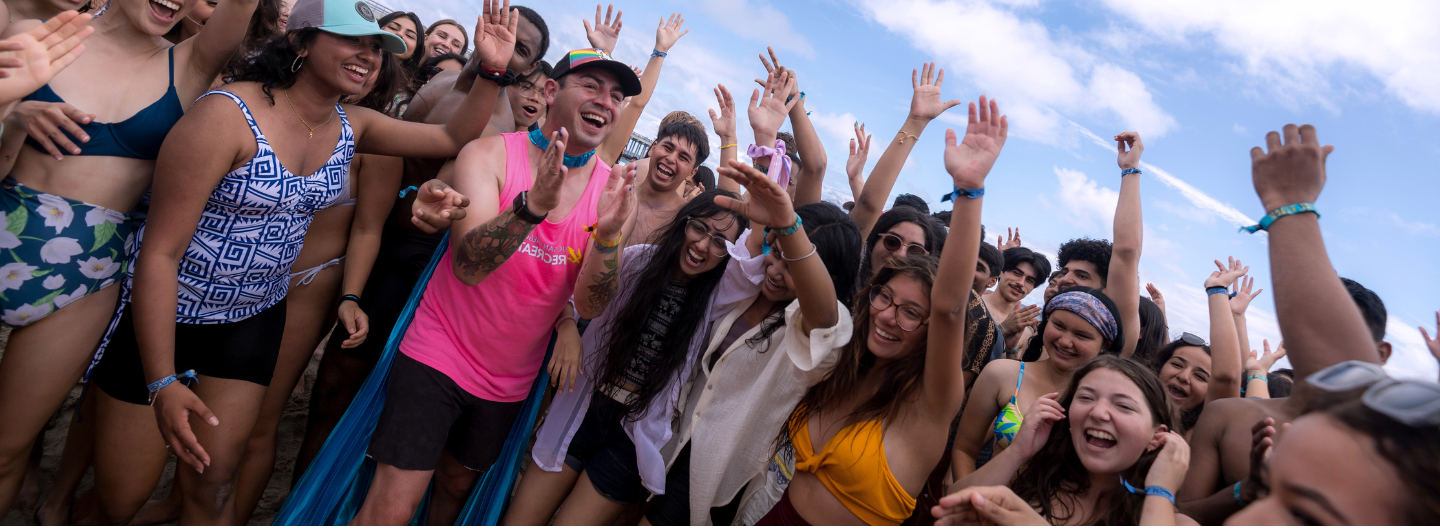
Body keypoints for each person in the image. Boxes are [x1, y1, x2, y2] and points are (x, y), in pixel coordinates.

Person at [83, 0, 501, 524]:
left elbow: (451, 137)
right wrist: (163, 381)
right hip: (169, 316)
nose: (368, 55)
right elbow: (160, 253)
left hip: (252, 318)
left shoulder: (355, 126)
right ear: (301, 42)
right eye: (352, 40)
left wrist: (490, 69)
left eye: (376, 47)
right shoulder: (227, 115)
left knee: (214, 483)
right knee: (121, 499)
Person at [347, 46, 642, 526]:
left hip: (510, 379)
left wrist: (608, 238)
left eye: (616, 95)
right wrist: (531, 208)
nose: (606, 101)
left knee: (455, 486)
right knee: (392, 506)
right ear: (551, 90)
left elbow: (589, 304)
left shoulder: (612, 193)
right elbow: (467, 266)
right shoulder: (489, 154)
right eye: (591, 86)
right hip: (439, 349)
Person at [0, 0, 259, 516]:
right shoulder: (40, 34)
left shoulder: (188, 65)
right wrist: (13, 110)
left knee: (5, 450)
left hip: (86, 276)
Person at [294, 5, 549, 479]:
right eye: (505, 32)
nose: (508, 43)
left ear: (529, 67)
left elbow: (456, 195)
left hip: (416, 270)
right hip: (370, 241)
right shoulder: (439, 83)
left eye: (522, 48)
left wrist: (437, 205)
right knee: (328, 393)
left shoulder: (496, 122)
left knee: (360, 395)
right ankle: (302, 498)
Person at [752, 93, 1005, 526]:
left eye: (911, 312)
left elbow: (948, 307)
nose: (889, 315)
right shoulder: (845, 362)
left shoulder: (930, 404)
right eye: (884, 298)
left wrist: (969, 190)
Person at [1177, 123, 1392, 525]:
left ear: (1380, 353)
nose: (1325, 347)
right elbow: (1177, 515)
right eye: (1314, 328)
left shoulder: (1397, 446)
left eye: (1347, 333)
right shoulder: (1229, 416)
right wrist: (1247, 490)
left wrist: (1290, 205)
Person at [504, 191, 755, 525]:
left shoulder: (715, 300)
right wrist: (567, 327)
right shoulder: (638, 260)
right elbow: (573, 293)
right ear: (684, 223)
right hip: (583, 406)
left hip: (631, 436)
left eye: (720, 242)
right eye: (699, 228)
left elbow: (753, 268)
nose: (703, 245)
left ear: (728, 254)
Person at [642, 191, 861, 526]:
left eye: (794, 267)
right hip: (671, 444)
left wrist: (789, 224)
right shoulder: (746, 288)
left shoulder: (813, 333)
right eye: (776, 252)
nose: (775, 269)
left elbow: (826, 323)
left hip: (718, 478)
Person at [935, 356, 1194, 525]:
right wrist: (1017, 453)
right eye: (1086, 398)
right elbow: (953, 509)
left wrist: (1161, 490)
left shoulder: (1173, 522)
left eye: (1123, 406)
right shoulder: (1038, 478)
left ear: (1156, 436)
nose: (1098, 412)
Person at [845, 63, 959, 240]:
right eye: (892, 241)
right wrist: (916, 121)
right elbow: (868, 208)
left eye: (915, 248)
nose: (900, 253)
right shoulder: (857, 257)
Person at [593, 9, 688, 165]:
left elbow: (637, 104)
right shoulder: (601, 156)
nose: (603, 103)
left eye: (615, 98)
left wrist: (660, 51)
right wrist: (601, 53)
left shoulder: (601, 157)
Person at [982, 246, 1050, 346]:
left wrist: (1012, 349)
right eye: (1017, 273)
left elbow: (1013, 361)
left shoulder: (1024, 332)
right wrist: (1003, 329)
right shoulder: (972, 302)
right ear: (1001, 272)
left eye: (1029, 280)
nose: (1021, 283)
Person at [508, 59, 549, 129]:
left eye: (543, 94)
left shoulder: (540, 139)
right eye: (527, 87)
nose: (535, 98)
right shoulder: (484, 125)